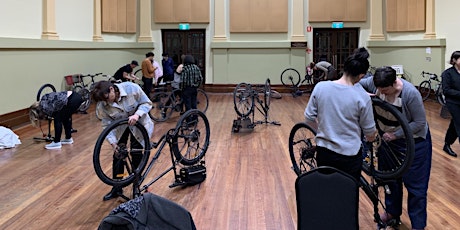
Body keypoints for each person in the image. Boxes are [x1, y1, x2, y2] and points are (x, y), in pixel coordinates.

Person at [359, 66, 432, 230]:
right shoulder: (373, 83)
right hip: (387, 141)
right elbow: (354, 83)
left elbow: (419, 123)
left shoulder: (410, 94)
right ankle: (392, 212)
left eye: (385, 90)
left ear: (394, 83)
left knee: (416, 188)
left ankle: (418, 225)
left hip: (413, 143)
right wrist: (362, 94)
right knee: (388, 179)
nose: (382, 93)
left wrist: (397, 134)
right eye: (379, 90)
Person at [304, 47, 377, 181]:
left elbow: (309, 117)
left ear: (344, 69)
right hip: (350, 155)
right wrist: (372, 139)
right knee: (348, 194)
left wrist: (321, 131)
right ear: (361, 75)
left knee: (327, 191)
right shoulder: (362, 97)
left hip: (324, 151)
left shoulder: (321, 87)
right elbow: (370, 133)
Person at [92, 80, 153, 201]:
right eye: (103, 101)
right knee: (118, 155)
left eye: (107, 98)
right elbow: (106, 124)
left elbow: (147, 102)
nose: (107, 102)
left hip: (139, 123)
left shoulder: (132, 88)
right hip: (120, 127)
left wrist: (137, 114)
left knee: (136, 153)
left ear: (111, 89)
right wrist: (113, 143)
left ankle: (137, 184)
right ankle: (117, 187)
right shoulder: (103, 104)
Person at [441, 51, 460, 157]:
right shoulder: (447, 73)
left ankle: (447, 145)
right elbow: (446, 90)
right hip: (453, 103)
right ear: (454, 60)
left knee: (455, 124)